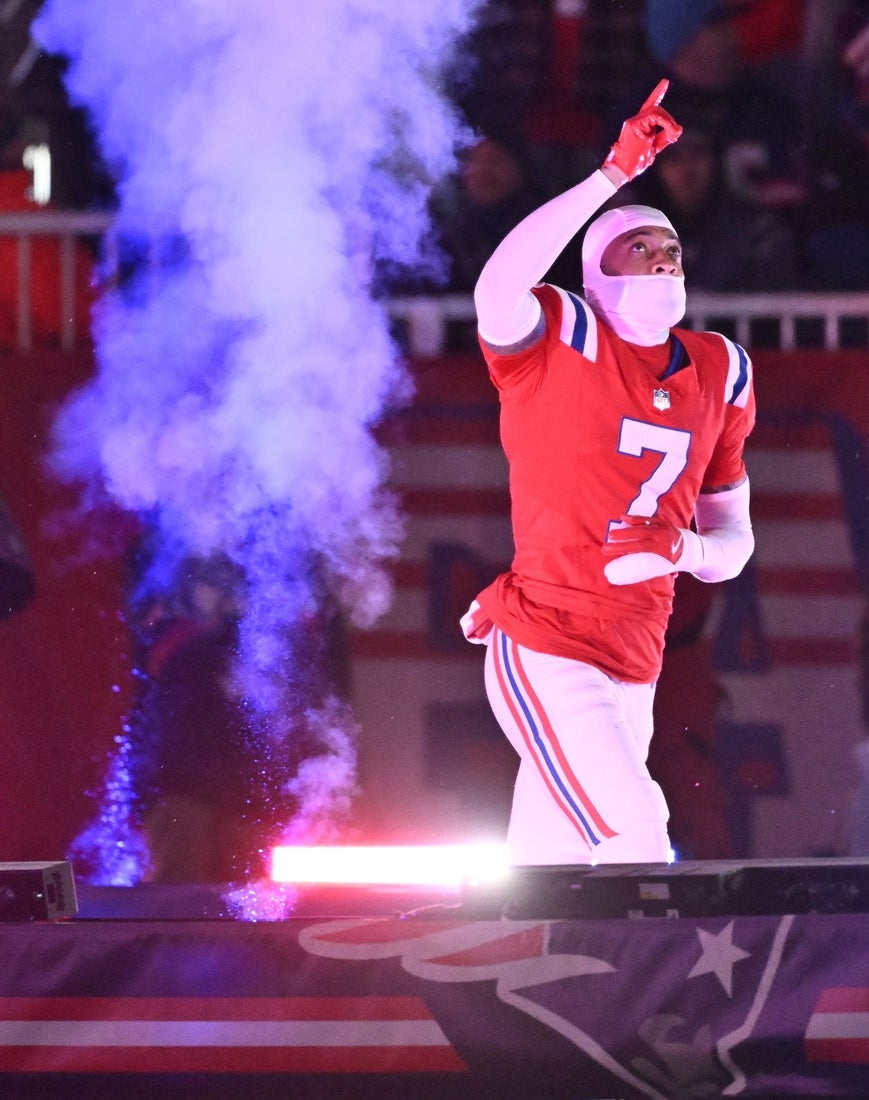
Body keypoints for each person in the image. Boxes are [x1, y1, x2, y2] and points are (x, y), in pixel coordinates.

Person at [460, 80, 756, 866]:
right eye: (640, 248)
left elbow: (732, 543)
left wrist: (683, 549)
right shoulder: (563, 334)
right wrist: (609, 178)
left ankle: (507, 952)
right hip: (547, 638)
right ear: (596, 270)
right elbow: (496, 288)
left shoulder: (721, 368)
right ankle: (670, 965)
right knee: (636, 835)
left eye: (671, 250)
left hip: (636, 654)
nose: (662, 259)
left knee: (548, 878)